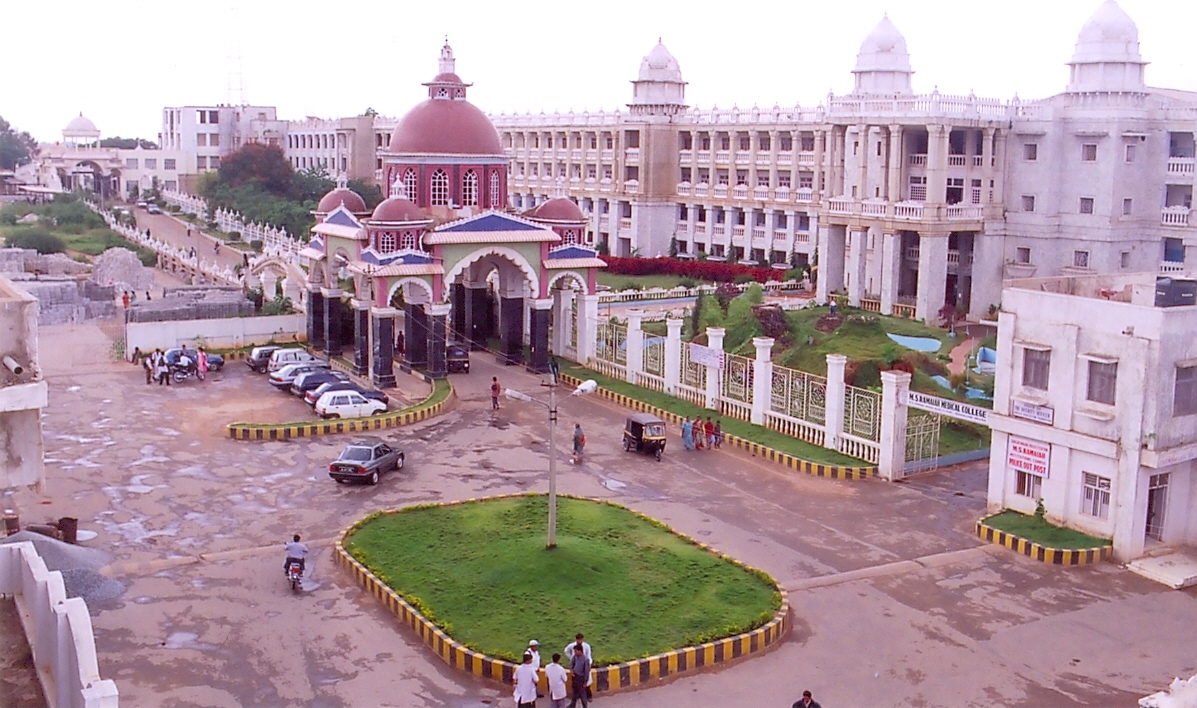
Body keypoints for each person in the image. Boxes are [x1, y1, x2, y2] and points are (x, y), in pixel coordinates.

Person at [563, 634, 593, 702]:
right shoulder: (572, 646)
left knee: (586, 682)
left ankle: (589, 696)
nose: (580, 641)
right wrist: (571, 658)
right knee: (576, 683)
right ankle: (577, 696)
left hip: (585, 664)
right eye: (578, 639)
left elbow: (589, 656)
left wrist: (589, 664)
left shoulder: (586, 646)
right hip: (576, 665)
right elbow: (566, 651)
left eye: (581, 639)